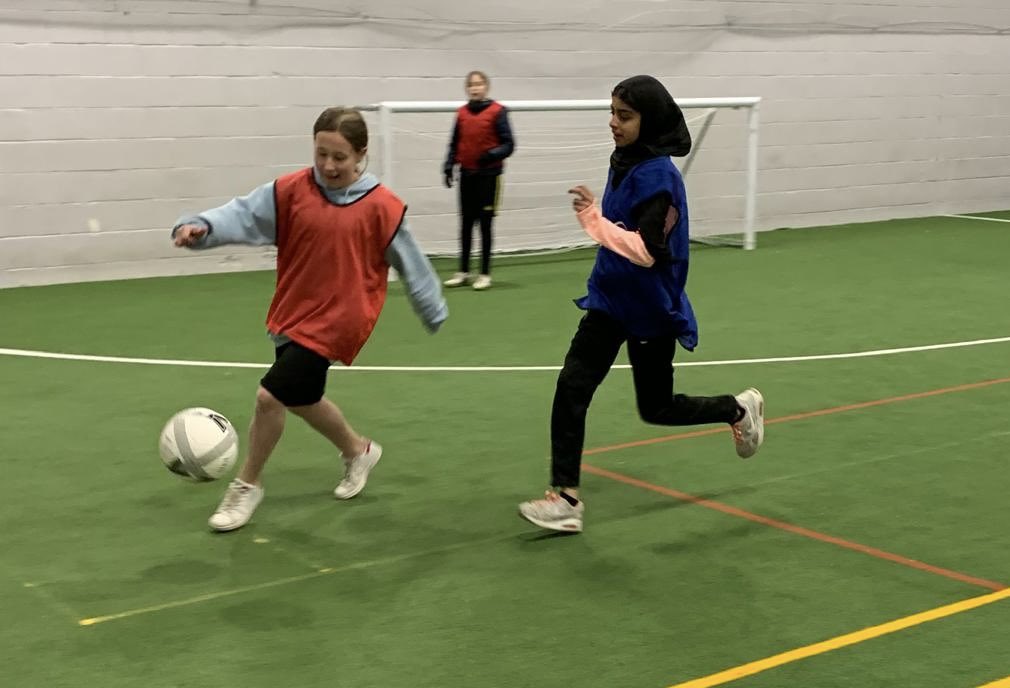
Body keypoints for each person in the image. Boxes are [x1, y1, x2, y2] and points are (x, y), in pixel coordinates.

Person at [172, 107, 448, 532]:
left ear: (361, 155)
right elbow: (242, 215)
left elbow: (410, 261)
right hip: (294, 311)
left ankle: (247, 484)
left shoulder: (382, 207)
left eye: (339, 156)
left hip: (341, 319)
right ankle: (358, 451)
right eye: (321, 154)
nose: (328, 165)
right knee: (302, 398)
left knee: (270, 397)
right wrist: (201, 227)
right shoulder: (289, 191)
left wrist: (431, 305)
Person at [517, 76, 765, 534]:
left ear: (648, 120)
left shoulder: (660, 178)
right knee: (573, 385)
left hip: (650, 307)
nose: (613, 123)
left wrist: (593, 221)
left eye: (624, 116)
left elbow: (647, 250)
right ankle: (566, 498)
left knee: (657, 408)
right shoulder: (628, 160)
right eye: (611, 112)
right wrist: (600, 215)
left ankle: (737, 409)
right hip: (611, 299)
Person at [442, 70, 515, 291]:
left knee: (485, 225)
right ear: (467, 88)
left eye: (479, 84)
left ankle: (484, 274)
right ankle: (463, 271)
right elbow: (454, 143)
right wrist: (448, 166)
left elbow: (509, 144)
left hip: (489, 177)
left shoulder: (498, 112)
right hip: (467, 175)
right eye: (471, 85)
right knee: (465, 224)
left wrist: (491, 155)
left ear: (486, 87)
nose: (475, 88)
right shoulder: (461, 113)